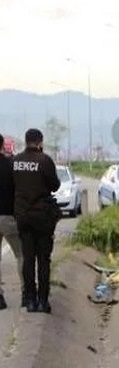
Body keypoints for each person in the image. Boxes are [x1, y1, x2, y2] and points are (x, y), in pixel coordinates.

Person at [12, 129, 60, 313]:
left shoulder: (15, 161)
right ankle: (42, 301)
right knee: (43, 259)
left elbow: (12, 185)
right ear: (40, 142)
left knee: (28, 259)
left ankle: (30, 301)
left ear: (26, 141)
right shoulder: (44, 160)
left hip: (22, 216)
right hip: (42, 217)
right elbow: (55, 185)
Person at [0, 134, 25, 310]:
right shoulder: (10, 165)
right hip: (8, 216)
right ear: (2, 145)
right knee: (21, 255)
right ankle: (26, 292)